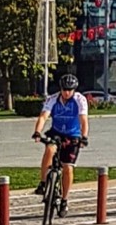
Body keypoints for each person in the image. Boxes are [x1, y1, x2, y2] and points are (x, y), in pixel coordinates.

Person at [31, 74, 89, 216]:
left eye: (70, 90)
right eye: (64, 89)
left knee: (68, 168)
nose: (67, 93)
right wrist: (37, 132)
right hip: (56, 132)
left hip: (73, 135)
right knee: (50, 149)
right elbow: (43, 116)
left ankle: (64, 199)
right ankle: (44, 183)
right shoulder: (53, 99)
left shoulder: (79, 100)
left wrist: (84, 137)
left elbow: (83, 120)